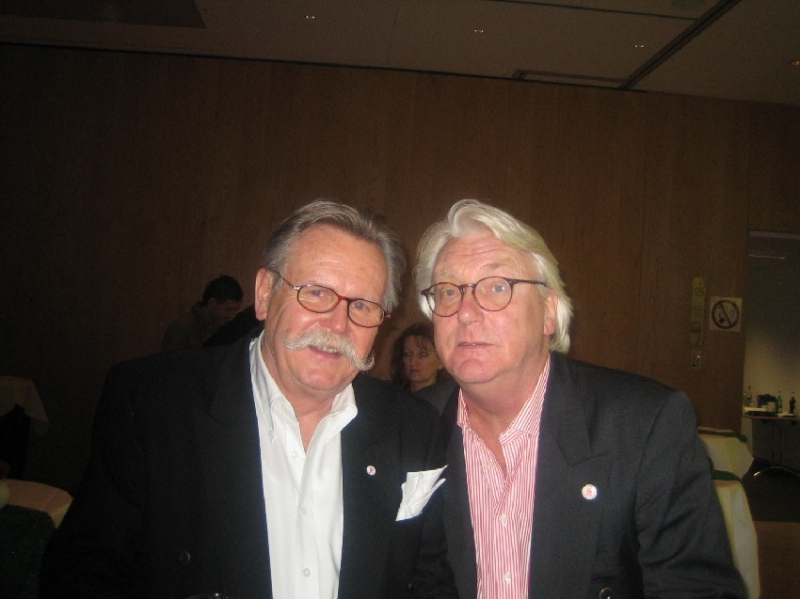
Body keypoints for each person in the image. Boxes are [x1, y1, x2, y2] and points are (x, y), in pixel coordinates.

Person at [40, 200, 455, 599]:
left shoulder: (413, 428)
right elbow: (82, 574)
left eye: (361, 305)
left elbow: (430, 583)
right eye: (316, 293)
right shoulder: (152, 405)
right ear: (265, 293)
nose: (337, 324)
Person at [414, 199, 745, 599]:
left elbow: (698, 591)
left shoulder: (645, 426)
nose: (465, 312)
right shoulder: (413, 426)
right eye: (448, 292)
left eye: (497, 286)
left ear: (548, 312)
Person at [161, 274, 243, 351]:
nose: (232, 315)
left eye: (235, 310)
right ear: (212, 303)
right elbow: (170, 360)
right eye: (228, 310)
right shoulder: (181, 328)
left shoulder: (224, 328)